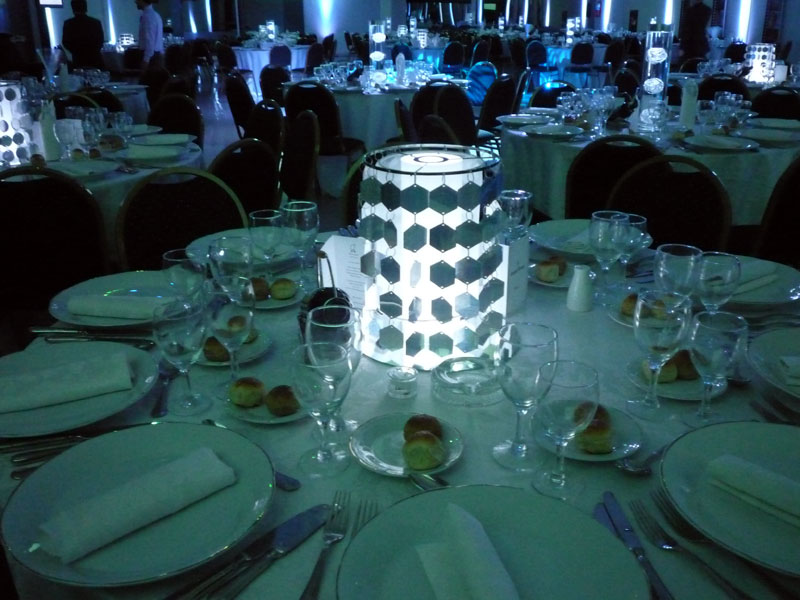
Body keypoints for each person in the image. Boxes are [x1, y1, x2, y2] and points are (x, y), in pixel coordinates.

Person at [61, 0, 104, 70]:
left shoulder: (68, 24)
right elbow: (100, 41)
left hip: (78, 59)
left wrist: (75, 51)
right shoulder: (96, 22)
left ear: (73, 9)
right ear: (86, 8)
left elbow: (65, 42)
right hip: (95, 58)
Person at [136, 0, 164, 68]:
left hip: (151, 59)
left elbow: (149, 41)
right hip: (156, 56)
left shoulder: (148, 17)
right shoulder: (155, 15)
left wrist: (146, 60)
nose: (135, 2)